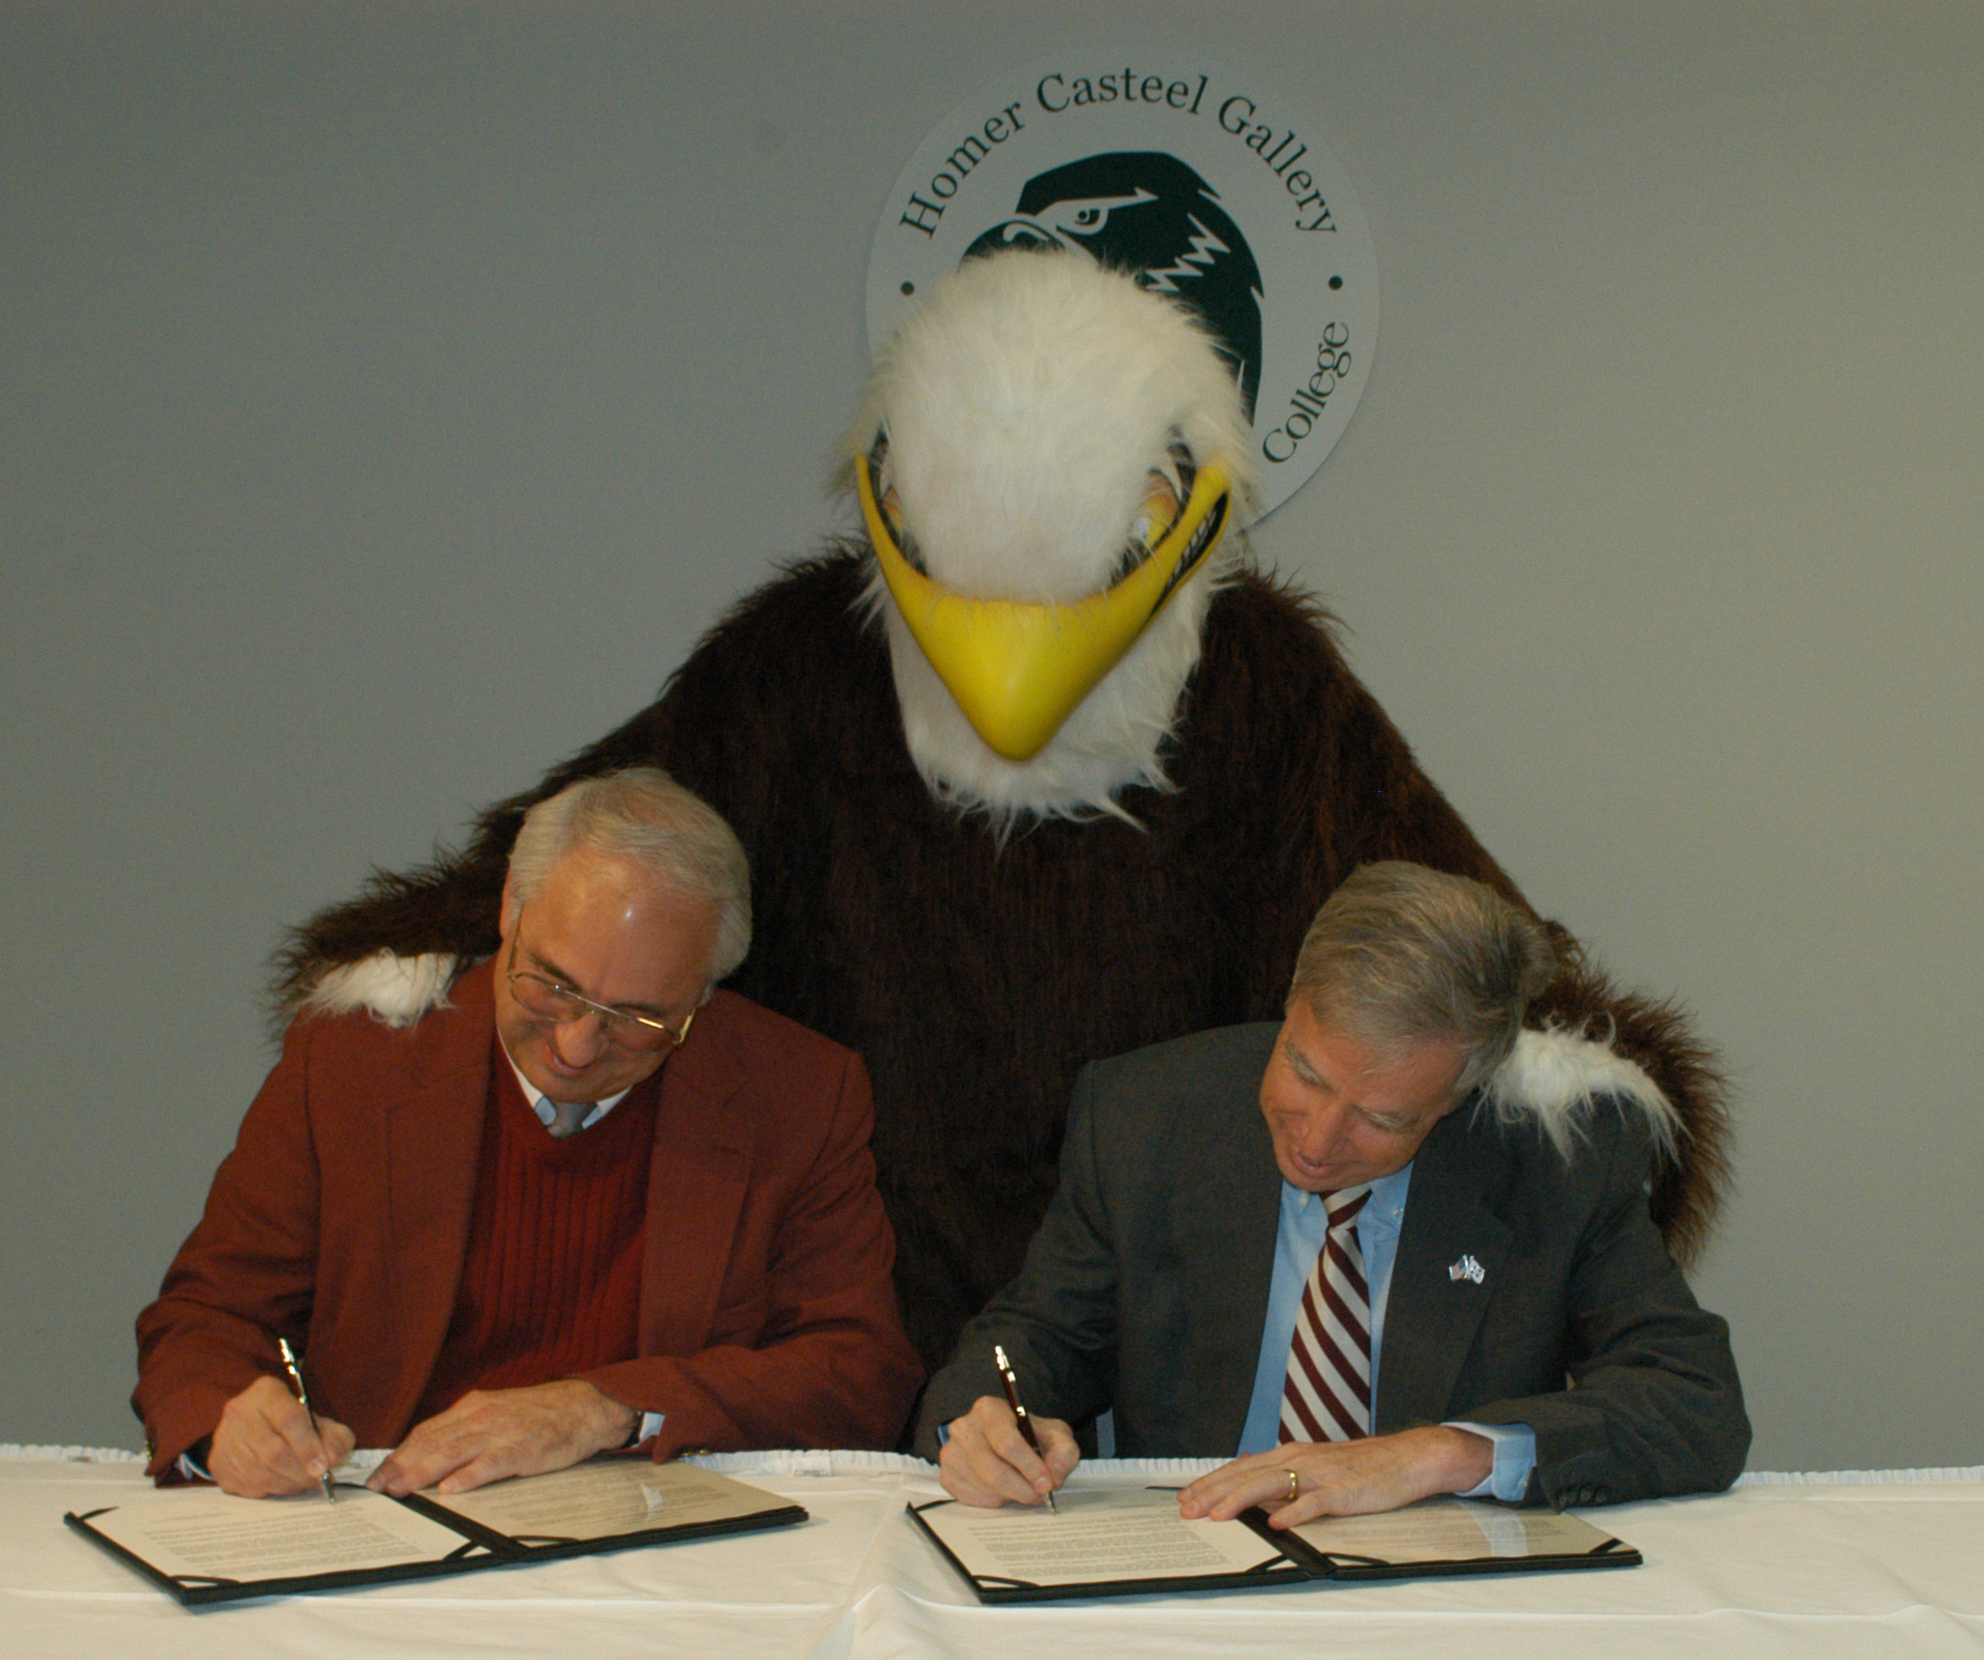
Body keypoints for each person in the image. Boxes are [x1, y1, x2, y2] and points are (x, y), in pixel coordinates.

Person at [135, 768, 922, 1498]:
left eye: (639, 1020)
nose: (575, 1047)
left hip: (657, 1545)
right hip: (391, 1527)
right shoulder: (357, 1060)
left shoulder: (797, 1094)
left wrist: (607, 1407)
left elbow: (857, 1370)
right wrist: (228, 1422)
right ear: (511, 905)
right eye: (552, 985)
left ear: (704, 995)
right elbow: (209, 1315)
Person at [915, 862, 1748, 1527]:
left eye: (1382, 1117)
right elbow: (1036, 1337)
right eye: (1305, 1072)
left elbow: (1694, 1400)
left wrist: (1440, 1454)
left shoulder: (1558, 1160)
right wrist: (979, 1423)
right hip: (1194, 1562)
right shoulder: (1146, 1118)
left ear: (1461, 1094)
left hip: (1439, 1593)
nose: (1315, 1142)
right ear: (1290, 1003)